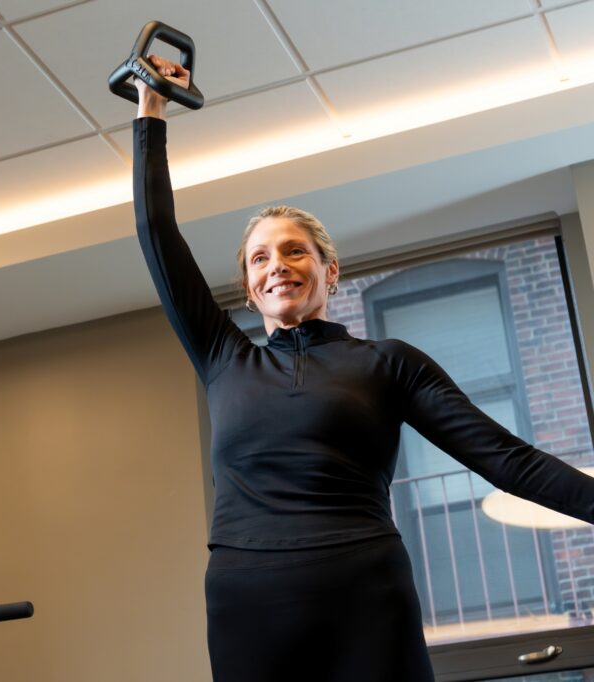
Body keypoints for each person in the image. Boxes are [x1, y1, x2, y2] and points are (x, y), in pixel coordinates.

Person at [132, 56, 594, 681]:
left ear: (330, 270)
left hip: (363, 585)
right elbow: (157, 233)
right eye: (261, 258)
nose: (279, 266)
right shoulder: (222, 357)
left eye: (296, 251)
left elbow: (507, 460)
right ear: (248, 289)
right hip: (248, 596)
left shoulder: (388, 364)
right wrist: (151, 110)